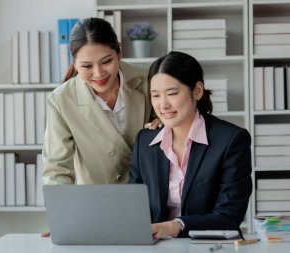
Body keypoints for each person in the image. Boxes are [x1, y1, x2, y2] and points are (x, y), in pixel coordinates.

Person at [129, 51, 252, 239]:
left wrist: (176, 226)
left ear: (197, 91)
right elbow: (134, 207)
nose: (163, 105)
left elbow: (229, 217)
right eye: (155, 96)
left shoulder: (231, 140)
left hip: (210, 246)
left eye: (172, 93)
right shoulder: (145, 142)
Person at [42, 17, 159, 186]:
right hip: (94, 200)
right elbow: (57, 170)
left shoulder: (150, 80)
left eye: (106, 62)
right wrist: (64, 209)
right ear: (74, 64)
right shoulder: (60, 100)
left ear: (119, 51)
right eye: (87, 66)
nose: (98, 74)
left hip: (149, 195)